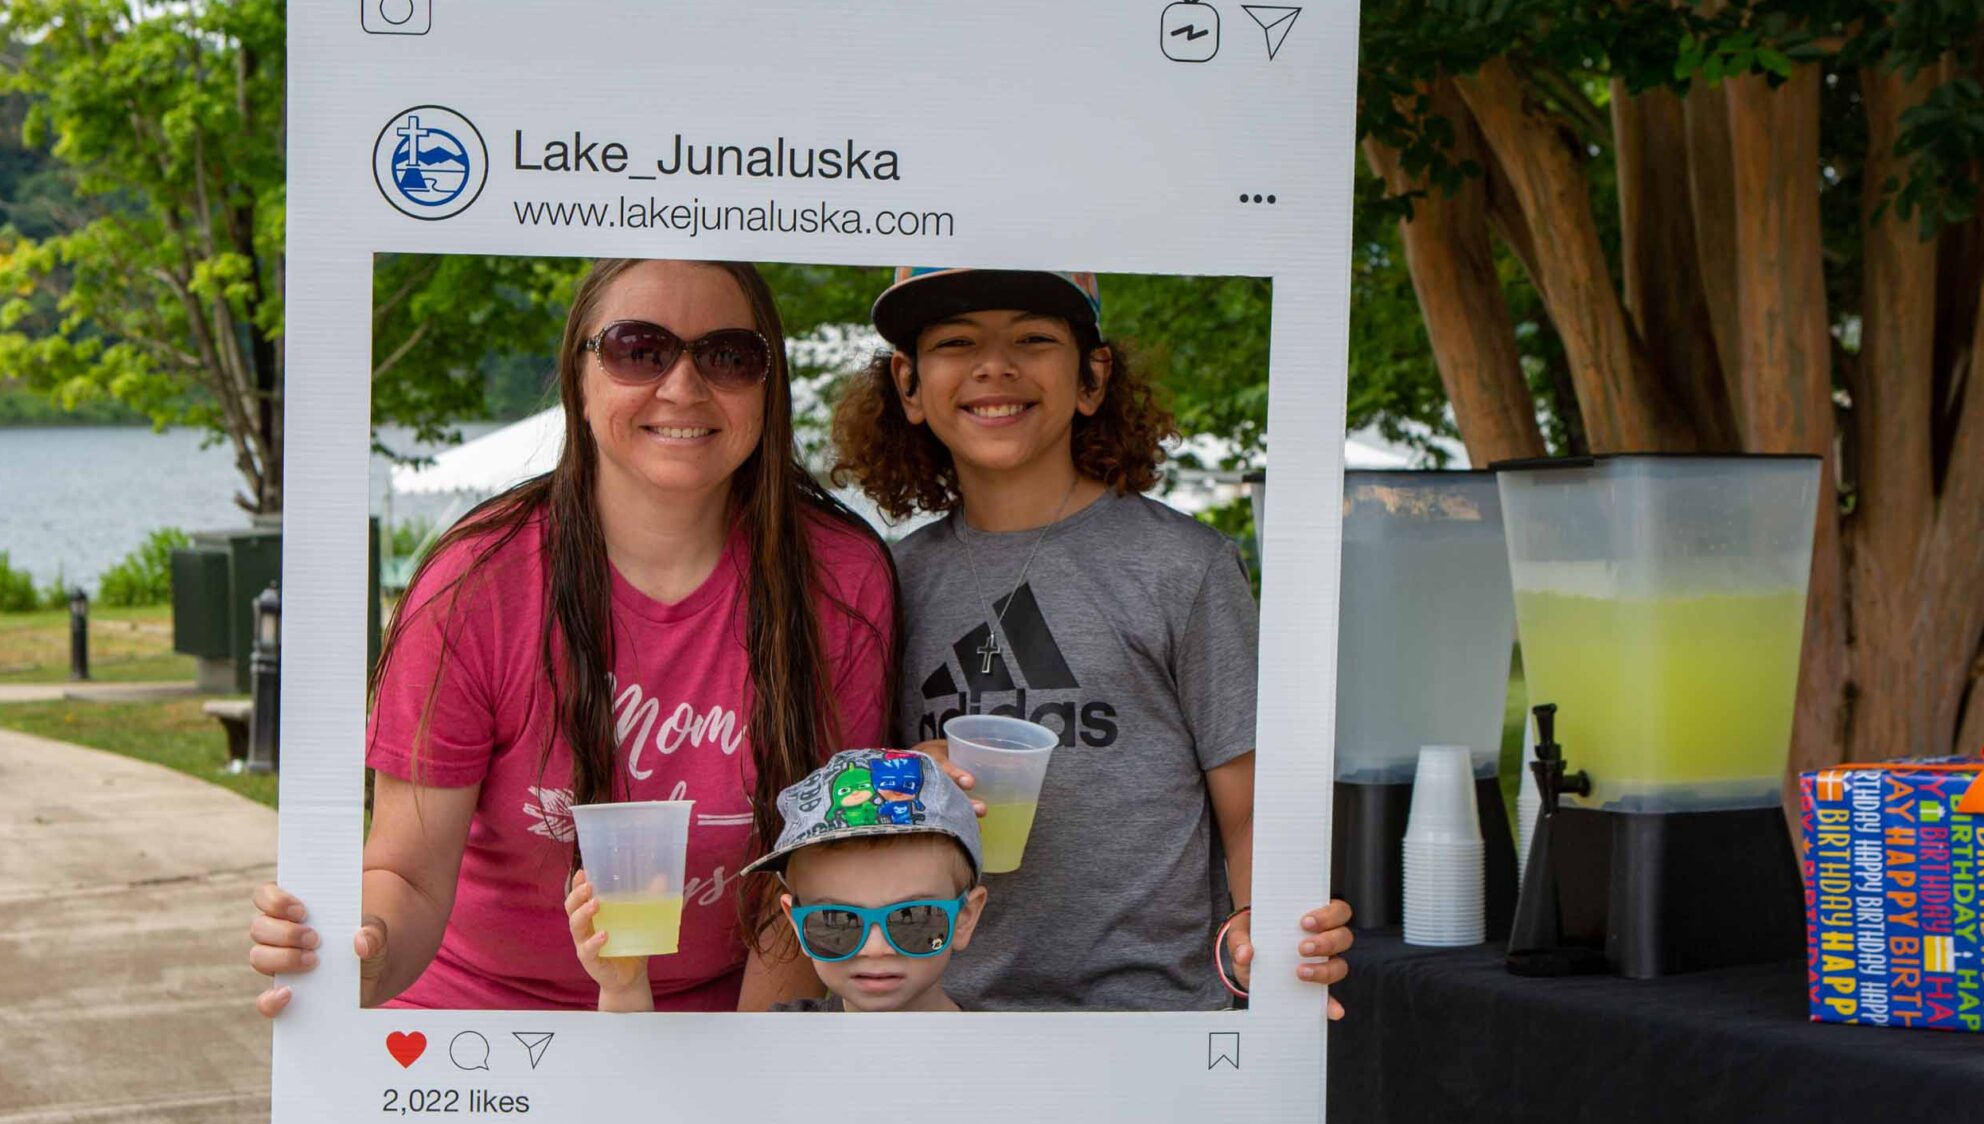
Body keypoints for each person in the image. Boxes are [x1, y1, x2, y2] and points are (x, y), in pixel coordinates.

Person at [247, 258, 895, 1013]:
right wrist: (359, 951)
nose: (684, 387)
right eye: (638, 349)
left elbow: (815, 872)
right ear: (578, 378)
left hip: (717, 1030)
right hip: (479, 1022)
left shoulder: (840, 581)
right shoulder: (475, 581)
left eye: (728, 355)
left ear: (767, 384)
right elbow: (409, 875)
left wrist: (738, 1087)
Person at [831, 267, 1353, 1014]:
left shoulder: (1184, 566)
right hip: (941, 1021)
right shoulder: (884, 581)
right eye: (956, 342)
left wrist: (1266, 932)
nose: (995, 366)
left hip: (1150, 1021)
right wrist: (904, 777)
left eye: (1035, 338)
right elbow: (844, 811)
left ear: (1093, 377)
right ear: (910, 386)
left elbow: (1253, 811)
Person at [567, 749, 986, 1013]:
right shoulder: (781, 1039)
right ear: (795, 921)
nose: (875, 949)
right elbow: (644, 1100)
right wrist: (625, 990)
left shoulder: (1006, 1055)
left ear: (965, 917)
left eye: (913, 919)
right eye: (836, 923)